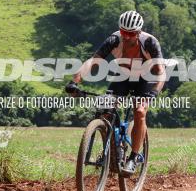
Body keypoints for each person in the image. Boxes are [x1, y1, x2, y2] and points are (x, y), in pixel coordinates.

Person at [66, 10, 165, 175]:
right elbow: (93, 61)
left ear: (138, 32)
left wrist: (153, 93)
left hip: (146, 78)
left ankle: (133, 157)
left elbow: (161, 72)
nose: (126, 37)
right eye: (124, 32)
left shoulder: (149, 42)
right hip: (123, 76)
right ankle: (111, 152)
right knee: (105, 110)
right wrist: (75, 81)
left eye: (131, 33)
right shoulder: (114, 39)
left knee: (140, 112)